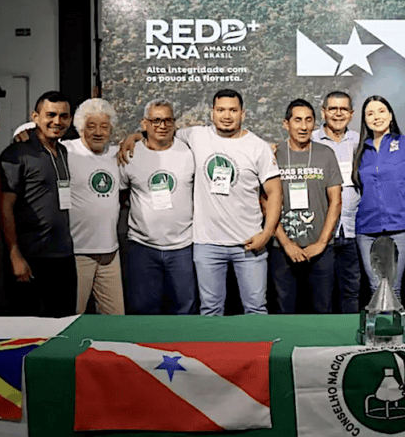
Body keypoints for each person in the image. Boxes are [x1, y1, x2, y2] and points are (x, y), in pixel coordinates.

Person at [119, 89, 283, 315]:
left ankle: (259, 351)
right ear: (212, 113)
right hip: (207, 244)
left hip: (249, 243)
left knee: (255, 309)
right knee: (210, 311)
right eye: (221, 110)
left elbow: (275, 193)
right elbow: (160, 133)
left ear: (243, 114)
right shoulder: (196, 136)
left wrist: (266, 235)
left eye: (233, 110)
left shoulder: (258, 147)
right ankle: (210, 352)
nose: (227, 116)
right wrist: (135, 136)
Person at [0, 91, 76, 317]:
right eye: (50, 115)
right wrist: (15, 255)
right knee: (27, 332)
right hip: (30, 258)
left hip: (63, 258)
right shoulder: (16, 154)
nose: (57, 121)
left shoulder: (62, 151)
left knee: (64, 326)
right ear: (35, 116)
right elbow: (5, 208)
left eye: (64, 116)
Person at [119, 99, 197, 314]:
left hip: (183, 246)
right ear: (144, 124)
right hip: (143, 247)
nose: (162, 126)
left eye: (167, 120)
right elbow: (120, 194)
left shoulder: (189, 153)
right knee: (143, 310)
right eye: (156, 120)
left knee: (185, 309)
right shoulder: (130, 155)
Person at [272, 99, 342, 314]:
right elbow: (266, 202)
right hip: (282, 248)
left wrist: (321, 243)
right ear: (286, 123)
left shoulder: (326, 153)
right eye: (297, 120)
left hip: (320, 250)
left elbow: (336, 201)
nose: (303, 126)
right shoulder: (274, 154)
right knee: (285, 311)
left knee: (323, 310)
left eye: (308, 120)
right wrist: (286, 243)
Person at [352, 95, 405, 300]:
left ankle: (393, 331)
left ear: (390, 115)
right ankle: (377, 330)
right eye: (370, 113)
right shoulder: (361, 151)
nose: (376, 117)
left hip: (400, 226)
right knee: (375, 287)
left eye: (381, 111)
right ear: (364, 120)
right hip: (367, 227)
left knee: (394, 287)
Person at [65, 98, 124, 315]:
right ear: (80, 128)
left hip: (110, 253)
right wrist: (24, 134)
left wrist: (135, 137)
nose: (98, 132)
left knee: (116, 320)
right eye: (91, 126)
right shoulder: (66, 151)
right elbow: (34, 135)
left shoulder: (116, 154)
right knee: (72, 317)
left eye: (104, 126)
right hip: (78, 253)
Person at [312, 91, 361, 313]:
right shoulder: (310, 140)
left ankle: (350, 342)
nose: (338, 113)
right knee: (322, 294)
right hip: (321, 231)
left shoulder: (361, 141)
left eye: (343, 109)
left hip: (353, 230)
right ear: (323, 111)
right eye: (332, 108)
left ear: (351, 114)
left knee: (352, 291)